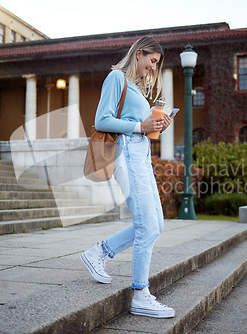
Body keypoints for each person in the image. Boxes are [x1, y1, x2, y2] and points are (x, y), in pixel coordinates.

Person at [80, 36, 175, 318]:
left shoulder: (137, 88)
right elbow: (101, 120)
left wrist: (157, 124)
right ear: (139, 54)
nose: (153, 68)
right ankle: (140, 294)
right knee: (147, 225)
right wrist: (140, 125)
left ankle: (99, 252)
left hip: (142, 155)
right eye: (152, 61)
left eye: (157, 65)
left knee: (154, 222)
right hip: (126, 154)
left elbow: (141, 127)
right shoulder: (116, 78)